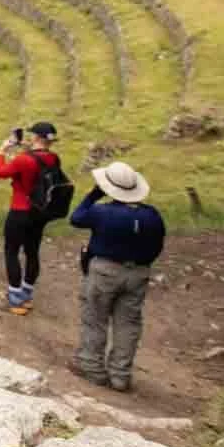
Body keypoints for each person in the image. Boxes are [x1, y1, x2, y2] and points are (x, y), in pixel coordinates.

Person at [70, 161, 164, 392]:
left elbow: (76, 217)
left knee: (95, 317)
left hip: (105, 270)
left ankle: (92, 367)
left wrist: (93, 194)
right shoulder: (152, 215)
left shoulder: (102, 212)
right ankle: (120, 375)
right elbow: (157, 246)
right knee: (128, 323)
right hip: (138, 272)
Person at [0, 122, 66, 315]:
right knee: (32, 252)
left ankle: (14, 298)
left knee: (11, 251)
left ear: (36, 137)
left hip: (20, 210)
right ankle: (26, 294)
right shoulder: (54, 158)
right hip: (39, 212)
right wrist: (23, 148)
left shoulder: (24, 160)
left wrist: (2, 150)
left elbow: (1, 172)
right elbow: (39, 160)